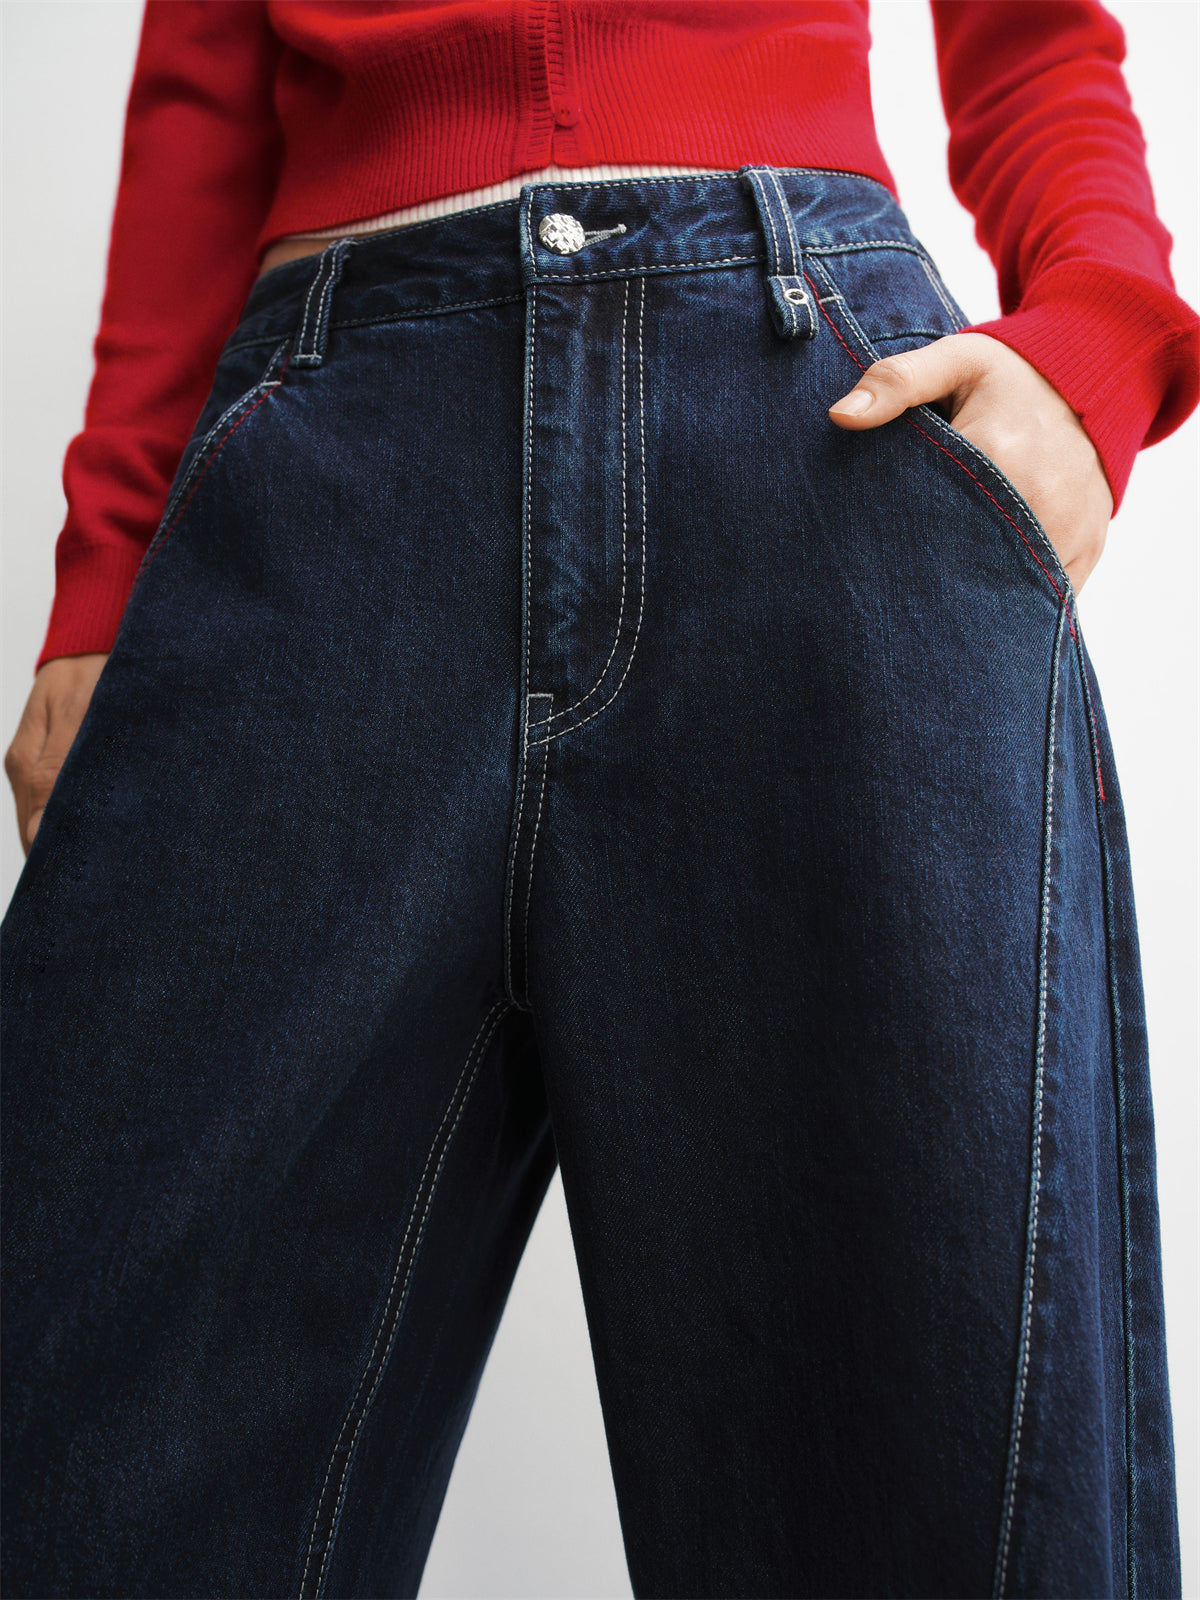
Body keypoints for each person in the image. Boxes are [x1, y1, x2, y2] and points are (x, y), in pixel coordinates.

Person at [2, 3, 1195, 1596]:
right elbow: (205, 73)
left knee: (932, 1492)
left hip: (811, 441)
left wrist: (1097, 339)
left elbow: (1036, 33)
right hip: (329, 460)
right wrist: (105, 577)